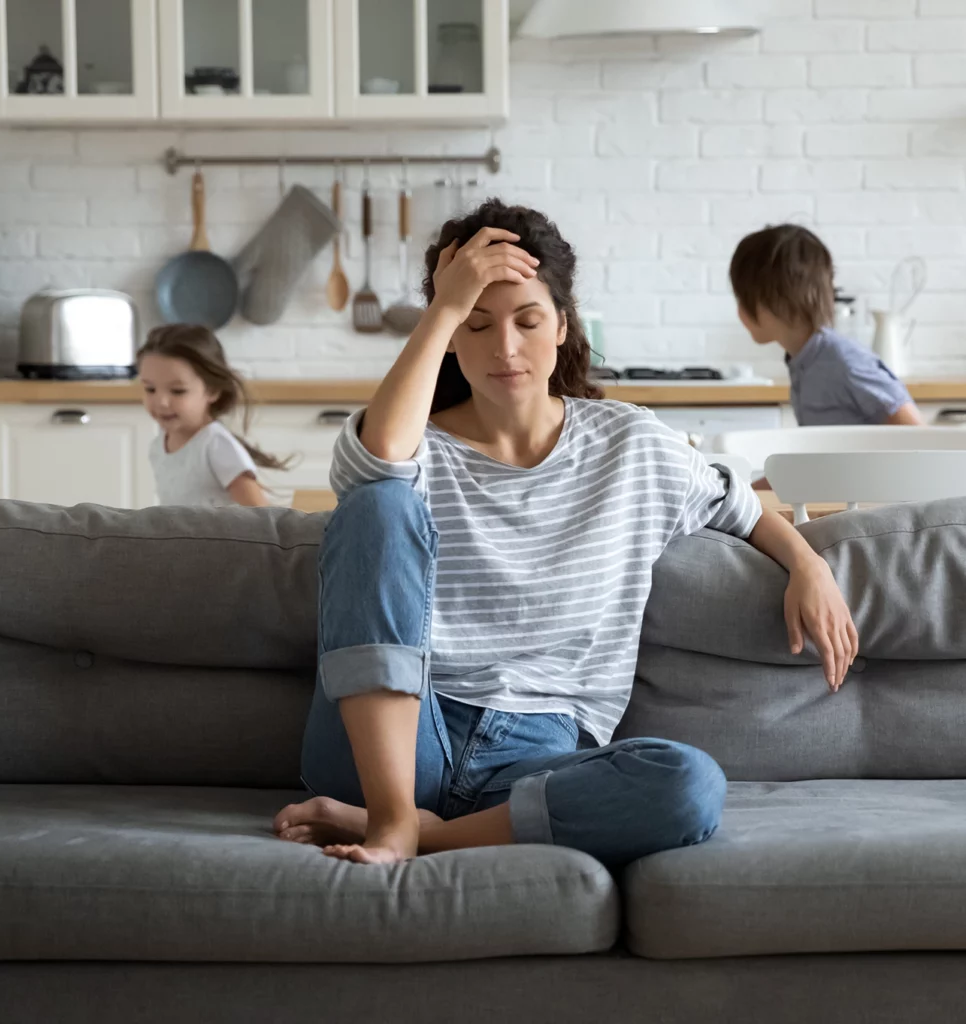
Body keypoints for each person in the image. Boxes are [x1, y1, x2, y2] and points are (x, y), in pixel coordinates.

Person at [274, 200, 858, 869]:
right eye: (476, 322)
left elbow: (746, 511)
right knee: (377, 504)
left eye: (527, 321)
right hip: (396, 732)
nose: (505, 348)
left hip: (536, 757)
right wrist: (442, 303)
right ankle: (391, 808)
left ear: (561, 327)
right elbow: (375, 464)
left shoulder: (631, 445)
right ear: (450, 335)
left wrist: (809, 565)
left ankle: (410, 831)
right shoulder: (412, 445)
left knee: (689, 784)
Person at [730, 224, 923, 427]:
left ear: (775, 301)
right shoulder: (802, 360)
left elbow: (917, 435)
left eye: (742, 298)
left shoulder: (844, 360)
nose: (739, 310)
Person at [138, 324, 288, 508]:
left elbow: (262, 514)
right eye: (150, 389)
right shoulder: (158, 446)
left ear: (213, 390)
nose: (161, 401)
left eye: (177, 391)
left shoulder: (216, 445)